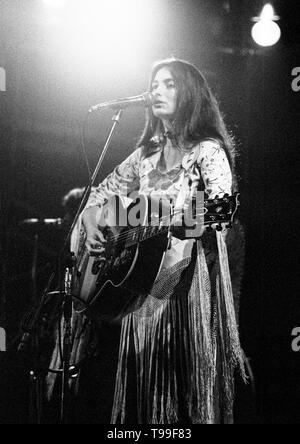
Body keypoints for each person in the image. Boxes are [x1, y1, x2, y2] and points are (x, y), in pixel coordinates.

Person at [49, 57, 246, 424]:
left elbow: (219, 219)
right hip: (134, 294)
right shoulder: (145, 155)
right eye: (155, 84)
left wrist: (183, 223)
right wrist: (93, 222)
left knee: (177, 406)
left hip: (180, 292)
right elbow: (97, 196)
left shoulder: (207, 151)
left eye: (169, 84)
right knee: (130, 406)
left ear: (190, 94)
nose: (157, 90)